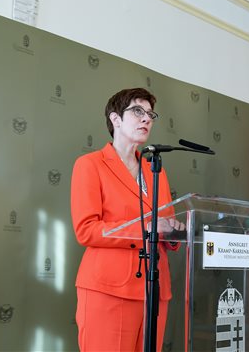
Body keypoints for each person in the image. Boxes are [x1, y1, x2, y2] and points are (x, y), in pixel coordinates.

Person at [71, 87, 184, 352]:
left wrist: (174, 232)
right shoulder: (90, 164)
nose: (146, 119)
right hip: (109, 289)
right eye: (137, 111)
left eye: (150, 114)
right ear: (115, 119)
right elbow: (87, 230)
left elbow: (165, 222)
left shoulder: (156, 170)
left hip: (154, 289)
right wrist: (147, 229)